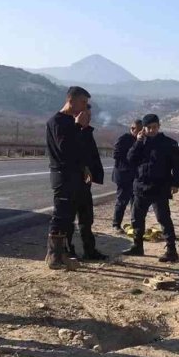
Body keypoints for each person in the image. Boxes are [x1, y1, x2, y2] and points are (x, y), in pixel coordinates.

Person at [123, 113, 179, 262]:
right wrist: (138, 142)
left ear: (159, 126)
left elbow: (177, 166)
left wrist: (176, 183)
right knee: (137, 219)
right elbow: (130, 159)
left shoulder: (169, 143)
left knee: (163, 219)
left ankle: (171, 250)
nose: (151, 130)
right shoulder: (140, 143)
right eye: (148, 128)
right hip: (141, 186)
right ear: (143, 128)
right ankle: (137, 246)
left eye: (154, 127)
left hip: (160, 187)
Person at [45, 86, 92, 269]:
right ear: (71, 101)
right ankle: (53, 256)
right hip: (61, 175)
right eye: (83, 102)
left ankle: (62, 253)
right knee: (60, 215)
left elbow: (77, 150)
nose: (85, 107)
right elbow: (64, 148)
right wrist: (78, 126)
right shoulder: (57, 121)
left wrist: (84, 167)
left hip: (74, 175)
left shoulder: (71, 122)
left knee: (68, 217)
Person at [66, 103, 107, 261]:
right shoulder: (70, 132)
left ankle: (89, 250)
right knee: (68, 220)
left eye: (89, 116)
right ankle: (68, 250)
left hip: (84, 184)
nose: (88, 119)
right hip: (71, 183)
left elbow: (91, 156)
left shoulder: (87, 133)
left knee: (86, 219)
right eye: (86, 116)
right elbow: (69, 155)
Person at [112, 119, 143, 233]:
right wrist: (129, 162)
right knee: (122, 201)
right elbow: (116, 155)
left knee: (135, 202)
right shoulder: (124, 139)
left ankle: (135, 225)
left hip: (135, 176)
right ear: (132, 129)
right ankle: (116, 224)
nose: (140, 133)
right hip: (123, 175)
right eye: (138, 130)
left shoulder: (141, 141)